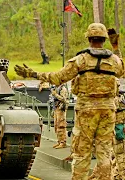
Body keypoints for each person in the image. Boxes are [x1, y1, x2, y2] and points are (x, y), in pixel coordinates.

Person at [14, 23, 124, 180]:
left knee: (82, 153)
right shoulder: (114, 61)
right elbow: (122, 69)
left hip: (87, 112)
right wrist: (115, 47)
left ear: (88, 38)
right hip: (108, 111)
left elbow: (57, 77)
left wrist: (33, 74)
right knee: (105, 153)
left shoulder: (81, 60)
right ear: (104, 39)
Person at [51, 84, 68, 149]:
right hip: (56, 108)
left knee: (61, 125)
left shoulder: (63, 89)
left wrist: (55, 94)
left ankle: (63, 142)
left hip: (61, 108)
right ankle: (59, 141)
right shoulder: (56, 88)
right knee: (56, 125)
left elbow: (64, 99)